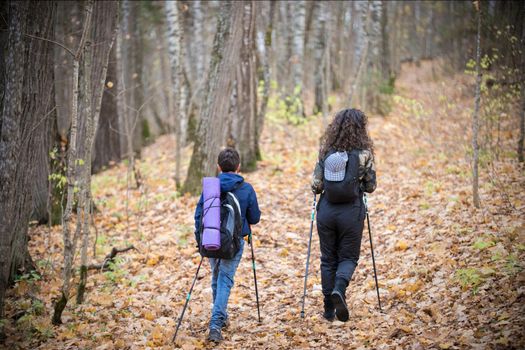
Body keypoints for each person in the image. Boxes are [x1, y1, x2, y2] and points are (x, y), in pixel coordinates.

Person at [311, 108, 376, 322]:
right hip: (351, 212)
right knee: (348, 257)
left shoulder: (327, 153)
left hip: (327, 211)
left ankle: (328, 310)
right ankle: (340, 288)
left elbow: (316, 185)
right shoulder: (364, 154)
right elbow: (370, 186)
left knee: (328, 259)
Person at [194, 148, 261, 342]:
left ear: (218, 167)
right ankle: (216, 324)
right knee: (225, 279)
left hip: (211, 239)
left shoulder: (211, 187)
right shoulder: (246, 188)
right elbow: (255, 218)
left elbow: (199, 215)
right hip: (234, 242)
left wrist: (200, 240)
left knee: (216, 276)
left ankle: (220, 317)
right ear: (239, 167)